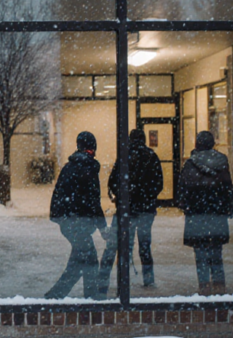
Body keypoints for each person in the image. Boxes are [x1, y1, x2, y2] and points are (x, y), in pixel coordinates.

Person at [98, 128, 164, 295]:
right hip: (145, 210)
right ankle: (148, 280)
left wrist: (123, 196)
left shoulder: (124, 156)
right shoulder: (151, 156)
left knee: (118, 246)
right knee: (145, 245)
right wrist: (147, 197)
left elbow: (113, 181)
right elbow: (158, 184)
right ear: (143, 140)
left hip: (126, 209)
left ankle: (113, 279)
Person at [46, 131, 107, 300]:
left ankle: (55, 296)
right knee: (89, 261)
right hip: (77, 223)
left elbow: (59, 196)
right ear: (93, 148)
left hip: (68, 221)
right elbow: (94, 202)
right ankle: (91, 298)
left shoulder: (69, 166)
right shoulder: (88, 168)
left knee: (79, 262)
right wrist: (103, 228)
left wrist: (63, 217)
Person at [177, 130, 233, 295]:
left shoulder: (190, 164)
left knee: (200, 251)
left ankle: (204, 285)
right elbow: (227, 187)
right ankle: (219, 284)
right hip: (216, 213)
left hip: (197, 214)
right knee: (216, 250)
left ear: (197, 144)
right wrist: (228, 207)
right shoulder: (222, 162)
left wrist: (186, 206)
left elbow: (183, 190)